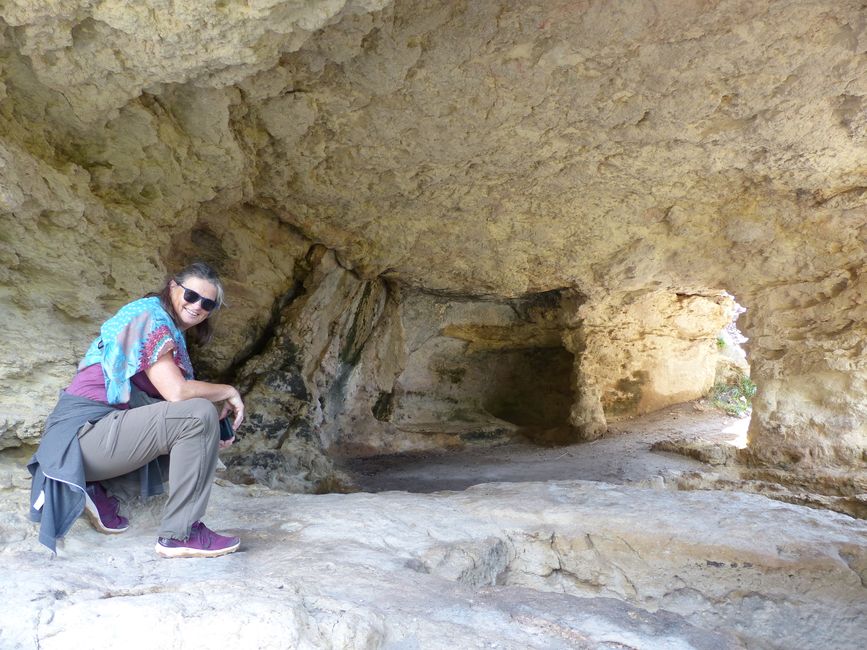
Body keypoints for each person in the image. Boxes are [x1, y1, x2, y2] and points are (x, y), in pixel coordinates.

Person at [28, 262, 245, 558]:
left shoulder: (168, 329)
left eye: (207, 303)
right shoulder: (148, 316)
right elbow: (177, 392)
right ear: (172, 287)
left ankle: (96, 489)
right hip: (79, 437)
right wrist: (228, 391)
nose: (198, 306)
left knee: (200, 434)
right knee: (197, 414)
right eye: (192, 295)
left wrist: (208, 434)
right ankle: (181, 534)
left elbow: (166, 408)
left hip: (98, 438)